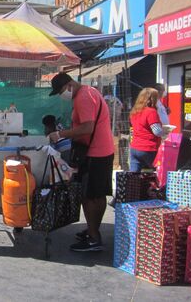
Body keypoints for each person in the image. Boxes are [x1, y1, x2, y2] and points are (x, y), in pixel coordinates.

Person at [48, 72, 114, 252]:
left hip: (94, 153)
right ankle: (93, 230)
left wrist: (60, 134)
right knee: (97, 194)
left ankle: (93, 238)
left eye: (61, 91)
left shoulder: (82, 97)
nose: (62, 96)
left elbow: (87, 127)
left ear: (69, 85)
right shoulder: (90, 91)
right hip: (103, 150)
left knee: (89, 196)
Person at [129, 88, 165, 172]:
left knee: (133, 176)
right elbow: (157, 131)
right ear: (152, 99)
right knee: (158, 172)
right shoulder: (151, 112)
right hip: (148, 148)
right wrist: (165, 132)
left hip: (135, 147)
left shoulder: (135, 111)